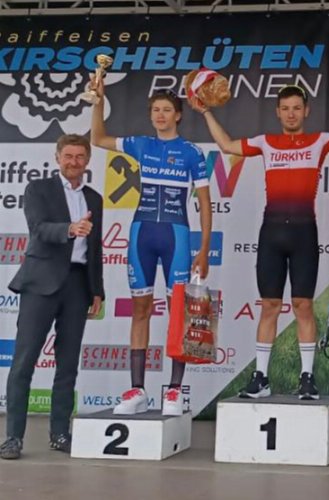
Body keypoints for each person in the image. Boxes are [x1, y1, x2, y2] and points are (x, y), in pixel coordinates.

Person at [193, 76, 329, 400]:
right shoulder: (266, 142)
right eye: (285, 108)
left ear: (306, 111)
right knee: (269, 305)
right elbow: (227, 146)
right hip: (272, 232)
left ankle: (307, 378)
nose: (291, 114)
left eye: (297, 108)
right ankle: (261, 378)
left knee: (303, 305)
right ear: (278, 112)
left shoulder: (318, 142)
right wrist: (205, 112)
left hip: (303, 233)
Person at [91, 82, 212, 416]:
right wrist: (98, 102)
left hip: (176, 235)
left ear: (178, 115)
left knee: (179, 314)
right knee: (140, 310)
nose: (160, 115)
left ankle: (174, 391)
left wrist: (203, 248)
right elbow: (97, 138)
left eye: (167, 110)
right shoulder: (140, 144)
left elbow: (205, 203)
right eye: (156, 110)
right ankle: (138, 390)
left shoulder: (192, 152)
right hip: (141, 233)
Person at [0, 135, 104, 459]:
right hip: (40, 283)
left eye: (80, 156)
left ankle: (60, 434)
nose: (74, 162)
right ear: (57, 157)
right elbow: (38, 228)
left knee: (68, 364)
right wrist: (70, 229)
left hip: (77, 285)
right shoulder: (38, 189)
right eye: (68, 156)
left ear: (87, 161)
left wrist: (97, 290)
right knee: (24, 361)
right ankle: (13, 438)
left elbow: (95, 247)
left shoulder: (94, 198)